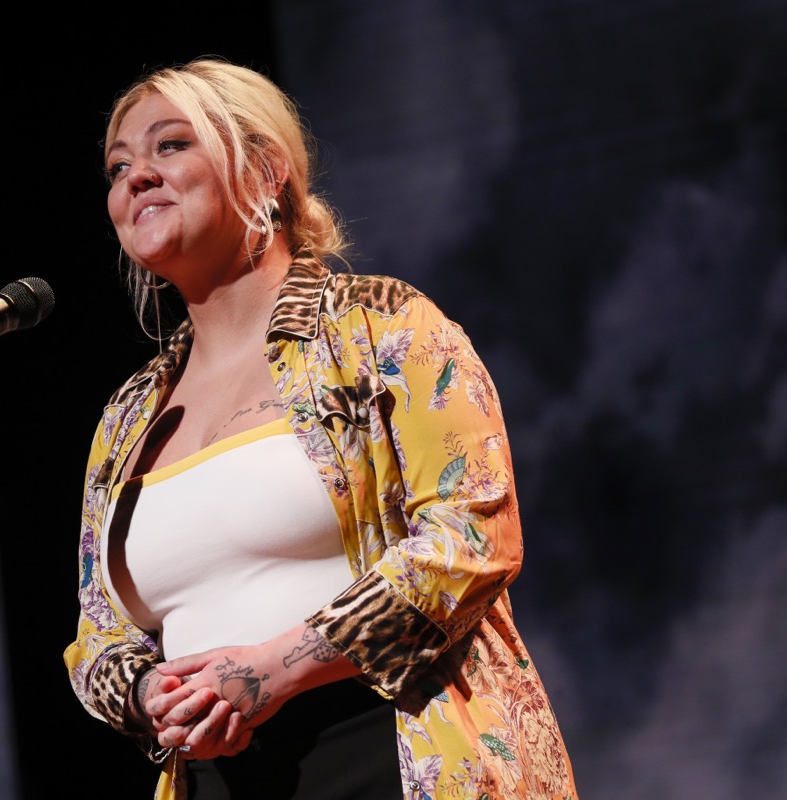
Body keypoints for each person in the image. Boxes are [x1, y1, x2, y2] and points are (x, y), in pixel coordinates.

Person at [64, 57, 577, 799]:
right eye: (118, 166)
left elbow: (470, 536)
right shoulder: (129, 416)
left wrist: (272, 670)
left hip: (390, 748)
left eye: (171, 145)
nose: (136, 176)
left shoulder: (380, 327)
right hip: (216, 779)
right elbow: (96, 633)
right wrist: (146, 694)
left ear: (267, 170)